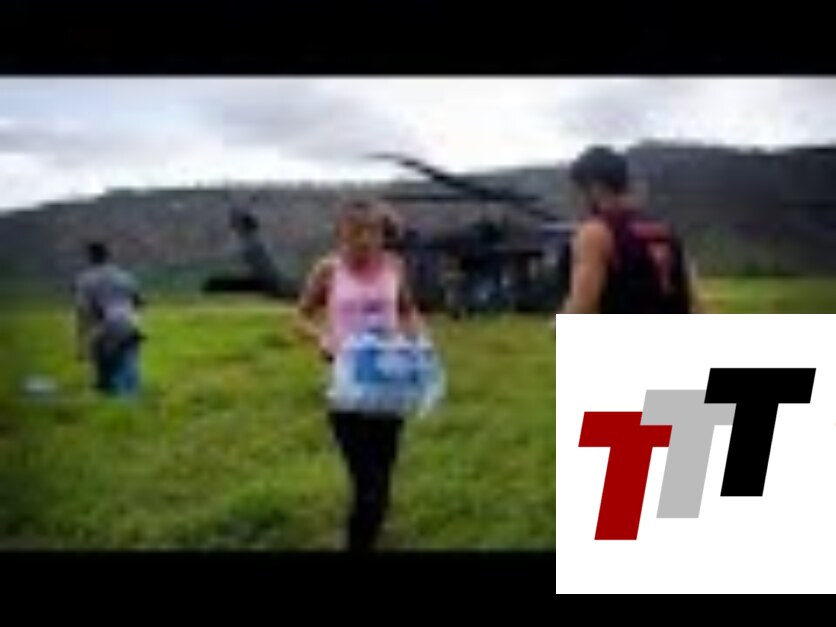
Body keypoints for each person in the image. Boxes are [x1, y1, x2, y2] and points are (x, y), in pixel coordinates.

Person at [296, 198, 426, 552]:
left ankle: (368, 536)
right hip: (347, 395)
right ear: (340, 235)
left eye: (372, 232)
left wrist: (418, 343)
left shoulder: (394, 266)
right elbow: (300, 316)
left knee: (382, 482)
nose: (364, 240)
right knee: (368, 486)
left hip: (389, 391)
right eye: (355, 233)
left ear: (383, 235)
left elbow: (408, 311)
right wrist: (322, 338)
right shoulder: (327, 270)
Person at [559, 146, 703, 314]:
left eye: (577, 190)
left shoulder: (595, 233)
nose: (575, 198)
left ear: (595, 187)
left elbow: (582, 306)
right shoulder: (666, 230)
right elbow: (694, 301)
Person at [74, 241, 144, 396]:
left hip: (105, 328)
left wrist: (80, 344)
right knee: (129, 366)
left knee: (105, 375)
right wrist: (134, 322)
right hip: (130, 326)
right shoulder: (125, 276)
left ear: (90, 258)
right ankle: (129, 392)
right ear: (108, 256)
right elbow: (139, 303)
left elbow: (82, 313)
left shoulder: (85, 280)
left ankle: (108, 388)